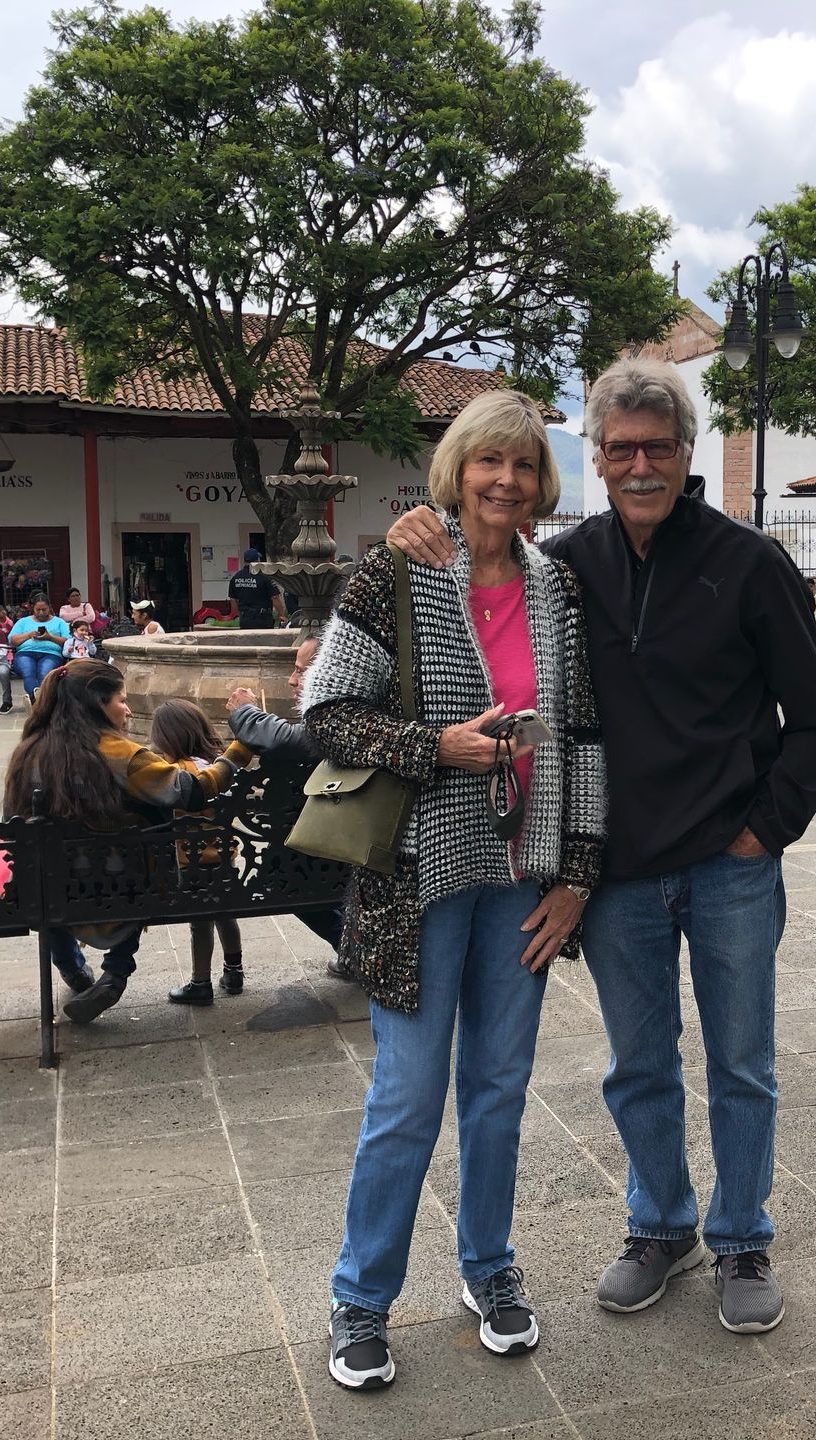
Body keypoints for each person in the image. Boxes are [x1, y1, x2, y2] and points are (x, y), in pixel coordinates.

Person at [388, 357, 816, 1340]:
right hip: (622, 874)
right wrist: (407, 532)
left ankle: (741, 1237)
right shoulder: (570, 568)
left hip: (730, 865)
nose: (640, 465)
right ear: (595, 458)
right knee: (638, 1066)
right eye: (621, 448)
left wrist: (763, 830)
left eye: (659, 447)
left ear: (687, 456)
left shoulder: (749, 561)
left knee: (741, 1064)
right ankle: (660, 1224)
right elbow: (477, 592)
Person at [293, 387, 604, 1392]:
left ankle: (488, 1267)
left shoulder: (555, 587)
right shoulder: (397, 570)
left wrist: (582, 877)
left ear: (541, 481)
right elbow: (327, 711)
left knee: (501, 1090)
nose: (505, 482)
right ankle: (361, 1296)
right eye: (488, 463)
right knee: (408, 1097)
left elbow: (586, 734)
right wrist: (437, 747)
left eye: (522, 466)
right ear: (457, 470)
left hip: (523, 877)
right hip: (420, 881)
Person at [1, 660, 254, 1022]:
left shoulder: (29, 751)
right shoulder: (118, 753)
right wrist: (240, 748)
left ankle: (73, 970)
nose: (128, 708)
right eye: (121, 700)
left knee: (50, 872)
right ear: (98, 703)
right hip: (119, 885)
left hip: (48, 887)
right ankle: (116, 972)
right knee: (143, 856)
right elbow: (193, 790)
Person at [222, 633, 350, 981]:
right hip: (334, 847)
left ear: (330, 672)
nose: (292, 681)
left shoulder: (345, 718)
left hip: (338, 850)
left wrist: (246, 712)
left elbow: (287, 739)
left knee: (284, 876)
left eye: (301, 671)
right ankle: (355, 949)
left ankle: (356, 951)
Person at [146, 698, 248, 1006]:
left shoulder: (175, 773)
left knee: (200, 920)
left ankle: (200, 982)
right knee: (225, 914)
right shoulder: (219, 767)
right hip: (225, 858)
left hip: (190, 862)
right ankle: (234, 971)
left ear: (168, 739)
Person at [9, 596, 72, 701]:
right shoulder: (23, 622)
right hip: (26, 653)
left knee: (45, 673)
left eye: (44, 609)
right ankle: (38, 699)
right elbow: (13, 640)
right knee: (28, 672)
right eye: (38, 610)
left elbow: (68, 641)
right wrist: (29, 635)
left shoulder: (59, 622)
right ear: (33, 609)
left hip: (51, 654)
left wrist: (50, 637)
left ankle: (38, 700)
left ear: (49, 607)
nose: (41, 613)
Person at [229, 549, 285, 629]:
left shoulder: (236, 577)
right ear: (257, 560)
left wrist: (240, 614)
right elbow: (275, 597)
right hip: (262, 619)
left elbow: (233, 600)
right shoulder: (264, 576)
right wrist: (281, 615)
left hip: (245, 619)